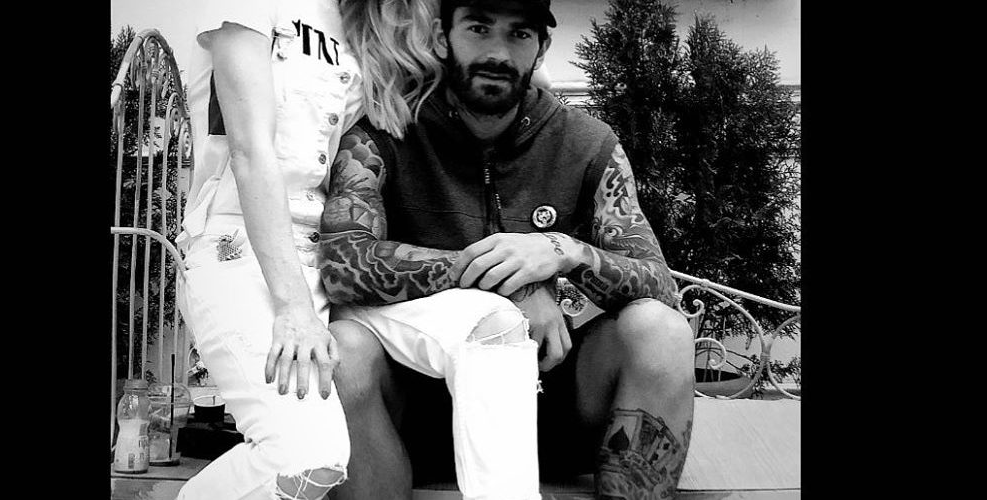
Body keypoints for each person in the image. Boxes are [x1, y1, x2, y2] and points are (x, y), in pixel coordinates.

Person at [319, 1, 696, 499]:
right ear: (442, 37)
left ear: (542, 47)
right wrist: (509, 285)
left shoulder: (585, 142)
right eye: (479, 28)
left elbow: (660, 283)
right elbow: (342, 263)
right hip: (413, 405)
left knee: (661, 330)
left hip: (550, 399)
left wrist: (560, 250)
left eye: (519, 34)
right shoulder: (384, 131)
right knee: (343, 347)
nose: (498, 52)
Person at [172, 1, 441, 499]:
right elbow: (250, 150)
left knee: (332, 463)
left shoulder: (363, 20)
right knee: (304, 457)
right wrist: (293, 307)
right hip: (243, 246)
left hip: (327, 257)